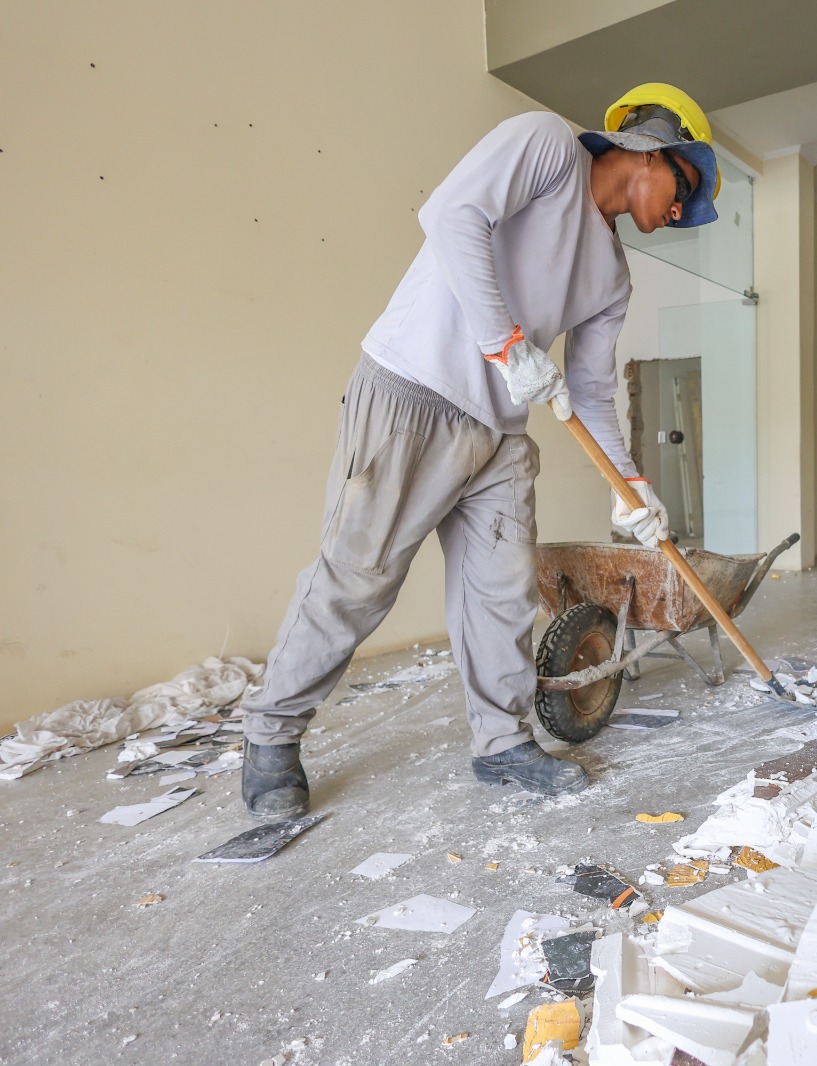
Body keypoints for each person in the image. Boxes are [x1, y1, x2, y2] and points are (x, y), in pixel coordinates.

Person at [238, 85, 721, 819]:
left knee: (501, 595)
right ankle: (271, 736)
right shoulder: (547, 146)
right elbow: (451, 216)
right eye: (686, 189)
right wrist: (504, 340)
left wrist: (632, 486)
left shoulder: (613, 278)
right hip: (413, 391)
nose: (683, 212)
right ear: (653, 148)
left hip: (497, 433)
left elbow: (590, 391)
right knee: (359, 577)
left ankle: (503, 742)